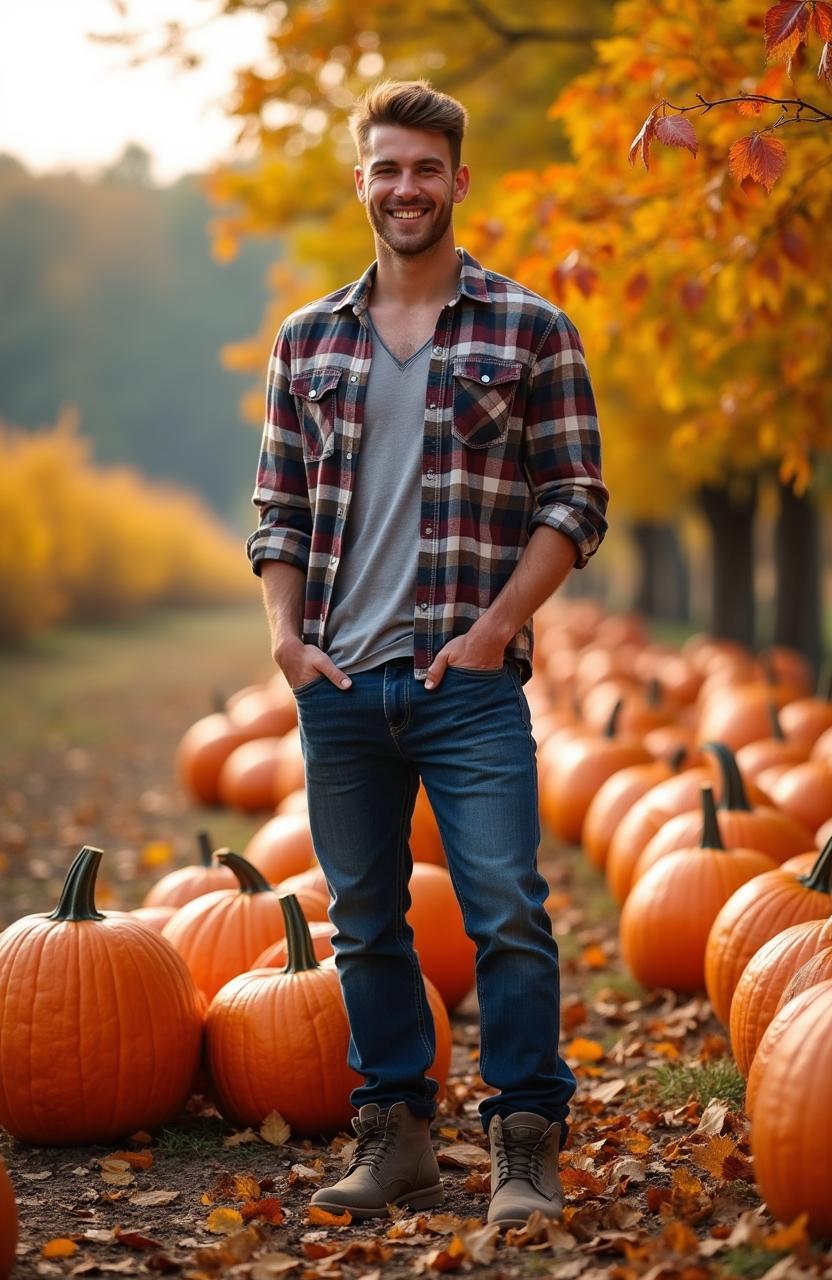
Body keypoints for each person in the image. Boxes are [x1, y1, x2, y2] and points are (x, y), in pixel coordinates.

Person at [246, 79, 608, 1228]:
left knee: (504, 906)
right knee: (363, 918)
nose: (406, 188)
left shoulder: (530, 327)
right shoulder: (306, 340)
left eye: (426, 168)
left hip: (469, 681)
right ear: (362, 182)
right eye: (386, 168)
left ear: (459, 180)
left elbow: (576, 496)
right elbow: (277, 511)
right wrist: (287, 642)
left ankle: (522, 1144)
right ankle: (396, 1133)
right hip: (342, 686)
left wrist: (495, 629)